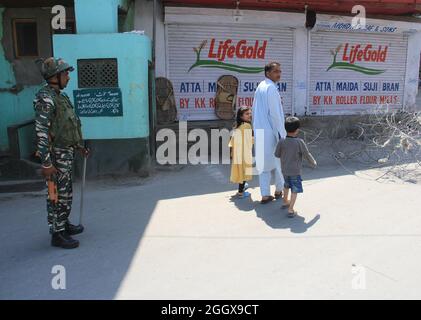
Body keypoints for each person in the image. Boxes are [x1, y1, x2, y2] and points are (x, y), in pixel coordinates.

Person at [34, 57, 89, 249]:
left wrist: (79, 146)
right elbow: (42, 132)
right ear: (54, 76)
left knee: (66, 194)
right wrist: (46, 164)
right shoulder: (45, 98)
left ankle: (64, 225)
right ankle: (57, 234)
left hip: (66, 153)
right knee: (55, 195)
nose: (68, 77)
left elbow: (67, 125)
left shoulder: (60, 97)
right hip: (55, 158)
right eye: (65, 73)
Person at [252, 62, 287, 204]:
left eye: (280, 71)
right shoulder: (271, 88)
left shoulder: (260, 86)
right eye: (275, 71)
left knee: (263, 165)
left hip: (259, 130)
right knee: (279, 162)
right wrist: (283, 133)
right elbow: (275, 115)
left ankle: (265, 194)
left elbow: (255, 110)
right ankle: (279, 191)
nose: (278, 74)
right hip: (271, 132)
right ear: (268, 73)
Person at [274, 116, 317, 218]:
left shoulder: (281, 141)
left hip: (284, 170)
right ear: (297, 130)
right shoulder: (299, 142)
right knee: (295, 190)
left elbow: (276, 154)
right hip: (295, 172)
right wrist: (313, 163)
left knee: (286, 185)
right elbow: (307, 154)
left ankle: (285, 202)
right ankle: (290, 209)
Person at [229, 106, 253, 198]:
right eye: (247, 114)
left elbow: (233, 140)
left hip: (237, 152)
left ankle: (242, 188)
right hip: (244, 153)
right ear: (241, 116)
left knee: (240, 171)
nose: (249, 115)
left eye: (250, 113)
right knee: (243, 172)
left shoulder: (237, 126)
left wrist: (232, 153)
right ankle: (241, 193)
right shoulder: (247, 126)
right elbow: (249, 141)